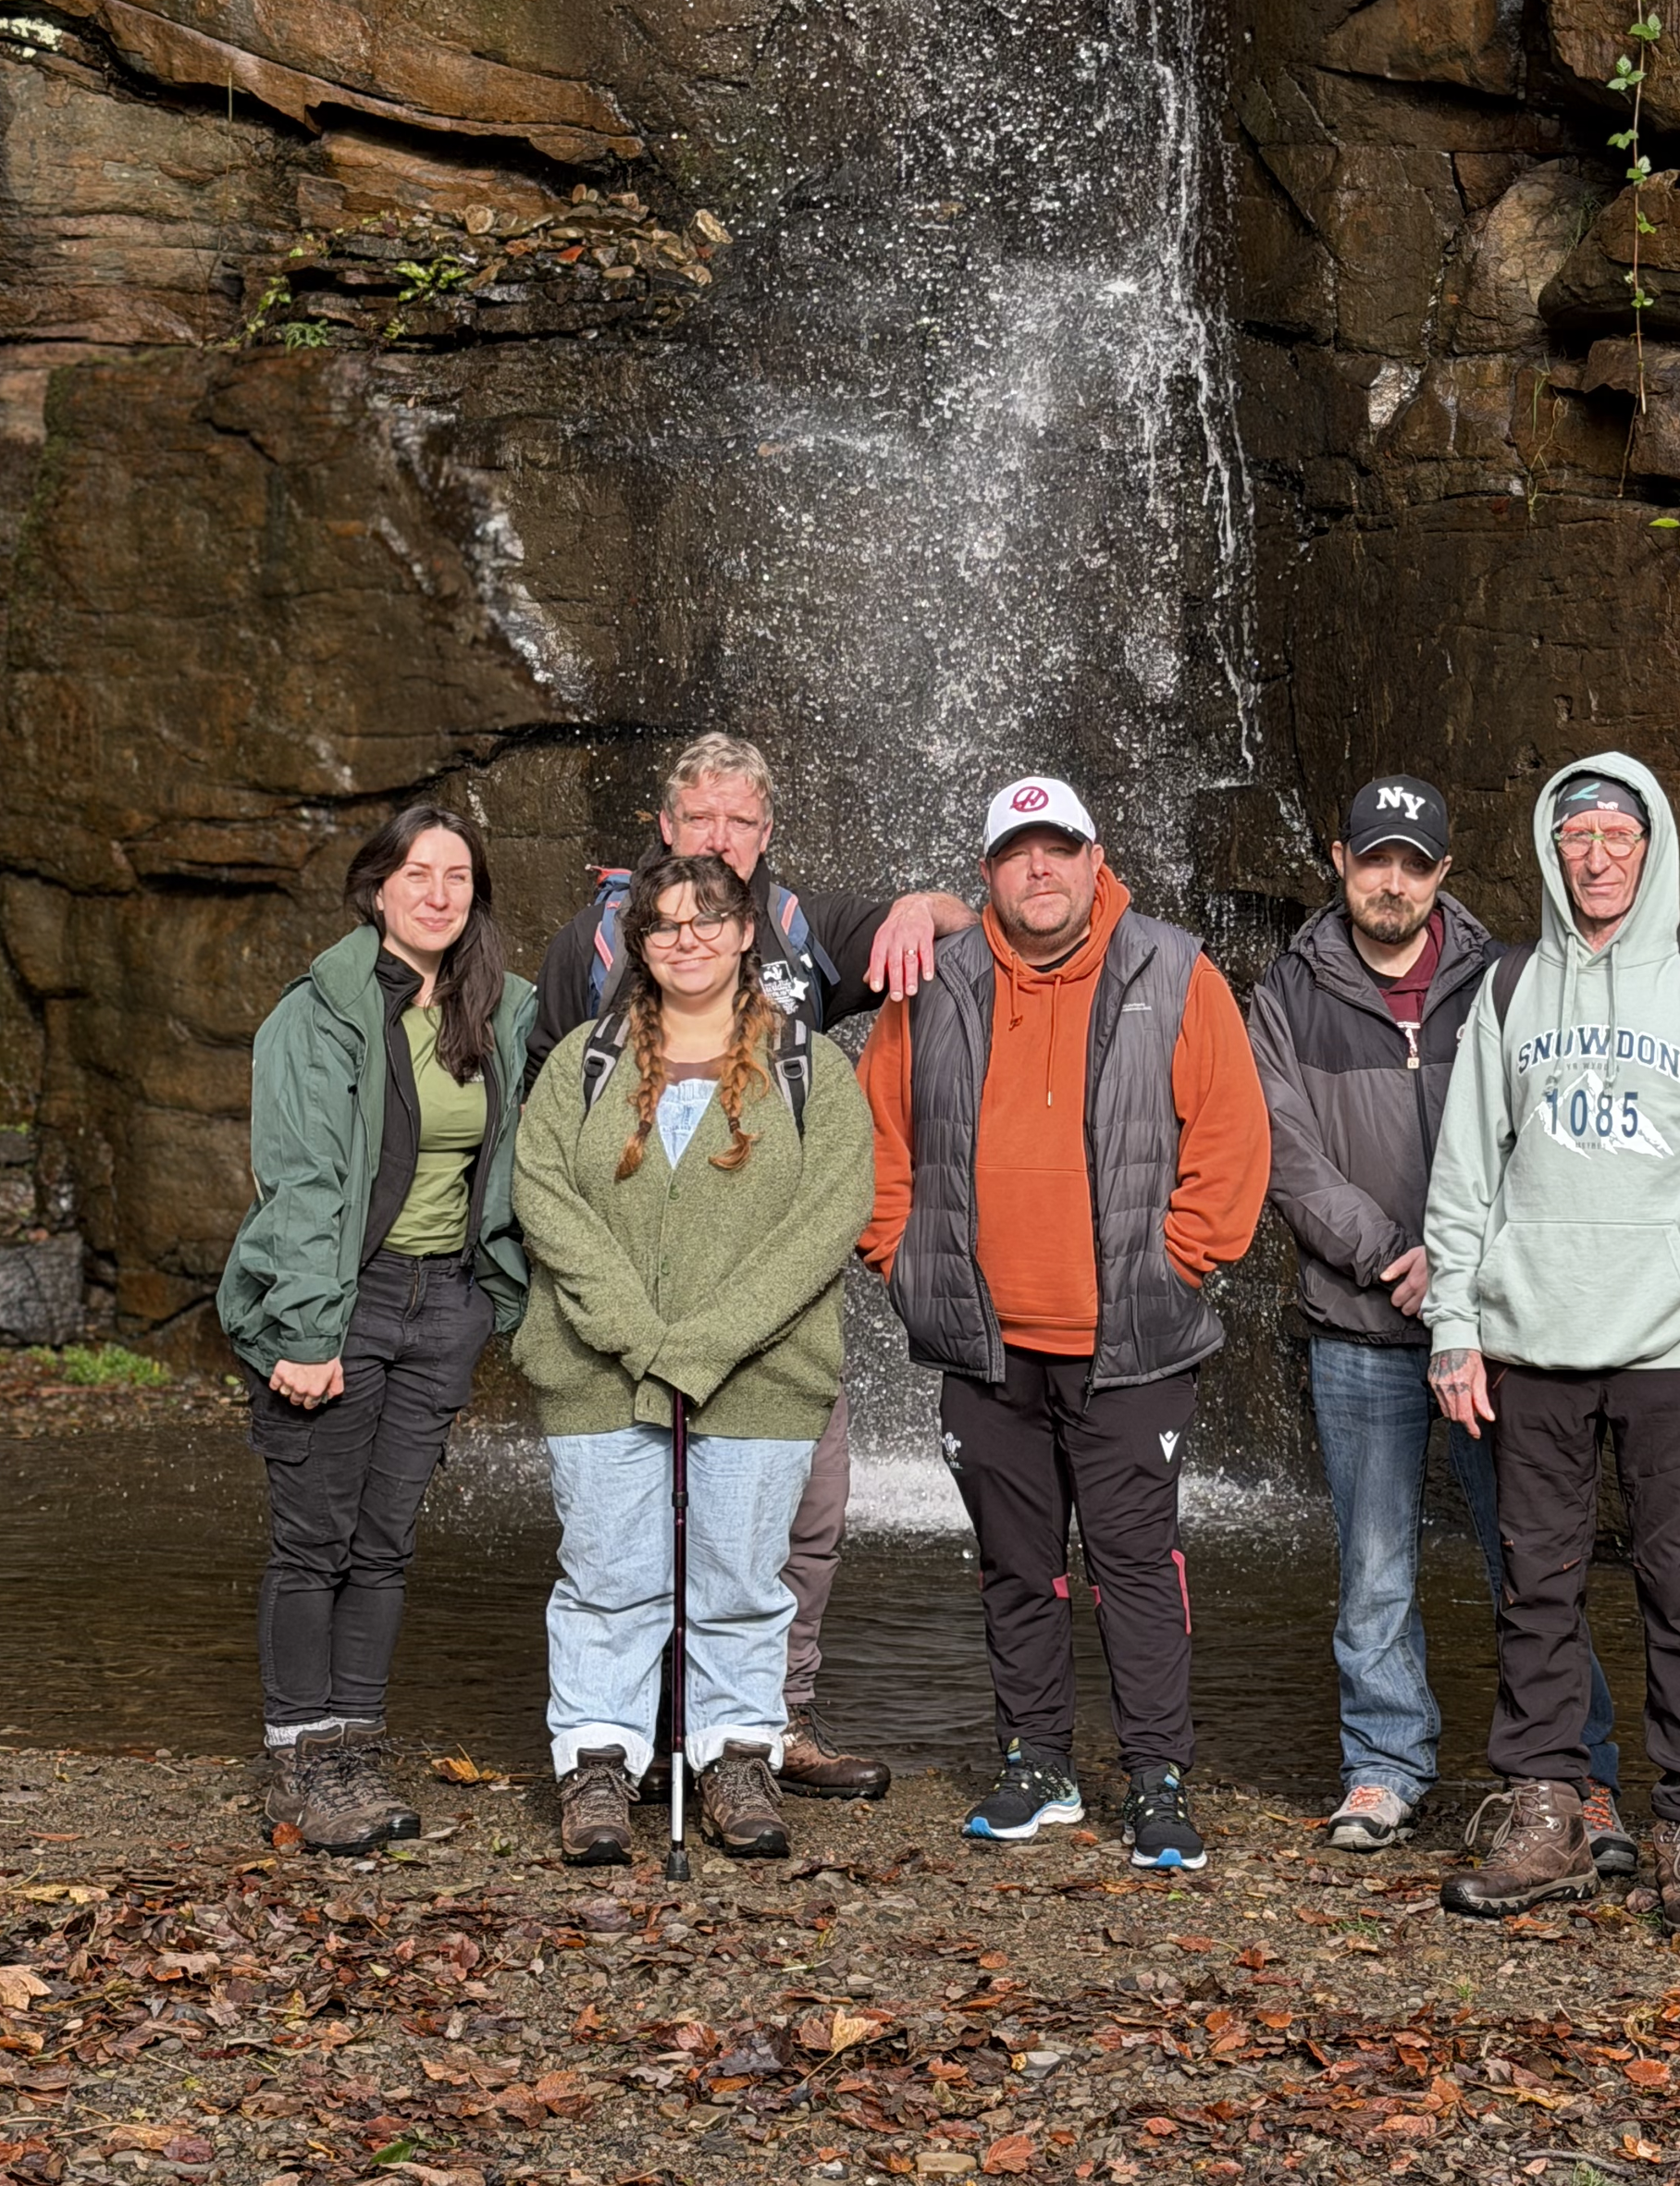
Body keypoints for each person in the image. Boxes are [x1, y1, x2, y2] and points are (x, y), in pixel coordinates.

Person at [528, 732, 971, 1800]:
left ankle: (767, 1727)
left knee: (794, 1524)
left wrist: (925, 906)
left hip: (772, 1312)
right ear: (664, 829)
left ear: (764, 836)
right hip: (619, 1302)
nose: (717, 838)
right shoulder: (592, 945)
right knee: (622, 1534)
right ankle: (627, 1742)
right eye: (697, 820)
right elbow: (537, 1118)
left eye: (738, 821)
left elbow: (975, 922)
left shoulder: (801, 926)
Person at [859, 775, 1269, 1872]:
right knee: (1014, 1563)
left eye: (1058, 849)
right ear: (985, 872)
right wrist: (901, 1259)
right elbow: (876, 1138)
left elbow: (1230, 1137)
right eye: (1014, 853)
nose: (1037, 870)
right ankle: (1035, 1761)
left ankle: (1155, 1775)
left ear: (1095, 860)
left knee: (1136, 1563)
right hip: (986, 1342)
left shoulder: (1173, 970)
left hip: (1131, 1341)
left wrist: (1182, 1263)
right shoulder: (933, 984)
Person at [1424, 758, 1680, 1935]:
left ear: (1653, 848)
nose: (1596, 857)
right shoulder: (1507, 986)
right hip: (1530, 1338)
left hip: (1673, 1344)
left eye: (1617, 837)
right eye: (1575, 836)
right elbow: (1463, 1177)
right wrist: (1453, 1327)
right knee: (1534, 1587)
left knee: (1679, 1588)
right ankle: (1546, 1812)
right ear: (1549, 849)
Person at [1250, 774, 1630, 1862]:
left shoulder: (1509, 980)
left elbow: (1552, 1138)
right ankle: (1382, 1767)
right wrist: (1387, 1258)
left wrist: (1469, 1268)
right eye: (1375, 860)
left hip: (1501, 1330)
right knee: (1373, 1565)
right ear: (1339, 860)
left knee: (1535, 1561)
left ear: (1443, 876)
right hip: (1356, 1325)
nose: (1393, 883)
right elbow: (1284, 1151)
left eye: (1415, 865)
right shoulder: (1285, 993)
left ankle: (1576, 1776)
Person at [513, 851, 875, 1869]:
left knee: (740, 1578)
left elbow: (827, 1221)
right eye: (665, 925)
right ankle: (597, 1764)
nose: (688, 939)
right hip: (598, 1369)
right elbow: (542, 1196)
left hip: (761, 1377)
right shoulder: (582, 1062)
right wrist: (640, 1335)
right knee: (606, 1576)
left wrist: (705, 1344)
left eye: (708, 920)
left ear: (747, 931)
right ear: (640, 946)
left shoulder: (812, 1069)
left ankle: (734, 1757)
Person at [219, 806, 536, 1856]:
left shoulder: (506, 1011)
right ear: (378, 889)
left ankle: (353, 1745)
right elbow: (304, 1183)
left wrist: (495, 1302)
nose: (439, 893)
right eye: (418, 874)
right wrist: (307, 1329)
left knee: (385, 1545)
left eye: (457, 876)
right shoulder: (320, 1014)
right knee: (314, 1543)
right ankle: (297, 1763)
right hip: (341, 1303)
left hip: (444, 1304)